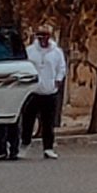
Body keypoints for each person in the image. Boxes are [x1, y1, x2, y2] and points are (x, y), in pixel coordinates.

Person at [28, 24, 67, 157]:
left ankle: (48, 148)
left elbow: (61, 67)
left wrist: (58, 79)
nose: (43, 39)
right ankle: (24, 144)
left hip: (50, 91)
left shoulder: (56, 52)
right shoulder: (30, 51)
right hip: (33, 91)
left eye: (45, 36)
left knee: (48, 122)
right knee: (28, 120)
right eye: (40, 36)